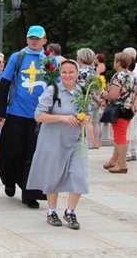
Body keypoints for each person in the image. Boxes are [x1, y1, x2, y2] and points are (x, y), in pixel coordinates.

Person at [27, 60, 91, 230]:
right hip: (53, 140)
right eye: (64, 72)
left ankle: (70, 211)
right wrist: (62, 118)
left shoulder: (83, 92)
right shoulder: (52, 90)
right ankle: (52, 211)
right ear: (60, 74)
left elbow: (89, 113)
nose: (68, 76)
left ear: (77, 73)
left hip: (77, 140)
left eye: (71, 72)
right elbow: (39, 116)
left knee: (79, 175)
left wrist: (85, 119)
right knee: (53, 175)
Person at [0, 25, 49, 209]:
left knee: (33, 155)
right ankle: (9, 180)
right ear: (27, 39)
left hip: (39, 117)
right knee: (12, 151)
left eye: (38, 38)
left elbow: (56, 87)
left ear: (44, 40)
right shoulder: (17, 57)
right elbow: (5, 83)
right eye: (31, 37)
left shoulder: (50, 61)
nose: (34, 41)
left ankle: (30, 193)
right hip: (16, 113)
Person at [101, 52, 137, 173]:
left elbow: (113, 95)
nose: (113, 62)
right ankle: (114, 160)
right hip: (128, 109)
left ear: (119, 63)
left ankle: (122, 164)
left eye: (114, 60)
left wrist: (104, 94)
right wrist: (134, 104)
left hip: (118, 109)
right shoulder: (132, 75)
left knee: (120, 137)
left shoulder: (118, 76)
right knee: (121, 135)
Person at [123, 47, 137, 162]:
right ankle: (133, 151)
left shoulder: (130, 71)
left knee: (128, 128)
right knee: (134, 128)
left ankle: (127, 152)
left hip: (131, 102)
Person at [76, 48, 99, 149]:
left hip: (82, 99)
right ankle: (92, 141)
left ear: (80, 59)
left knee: (85, 121)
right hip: (92, 99)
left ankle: (88, 142)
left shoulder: (80, 72)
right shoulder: (93, 72)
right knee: (91, 121)